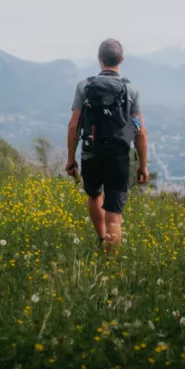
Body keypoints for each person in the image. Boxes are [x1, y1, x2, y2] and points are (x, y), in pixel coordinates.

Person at [65, 38, 148, 252]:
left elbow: (74, 125)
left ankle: (102, 239)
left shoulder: (84, 86)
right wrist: (143, 165)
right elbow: (140, 130)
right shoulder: (131, 89)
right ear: (121, 60)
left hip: (91, 153)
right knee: (115, 215)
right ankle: (111, 263)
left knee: (94, 195)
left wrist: (70, 158)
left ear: (99, 59)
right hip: (119, 156)